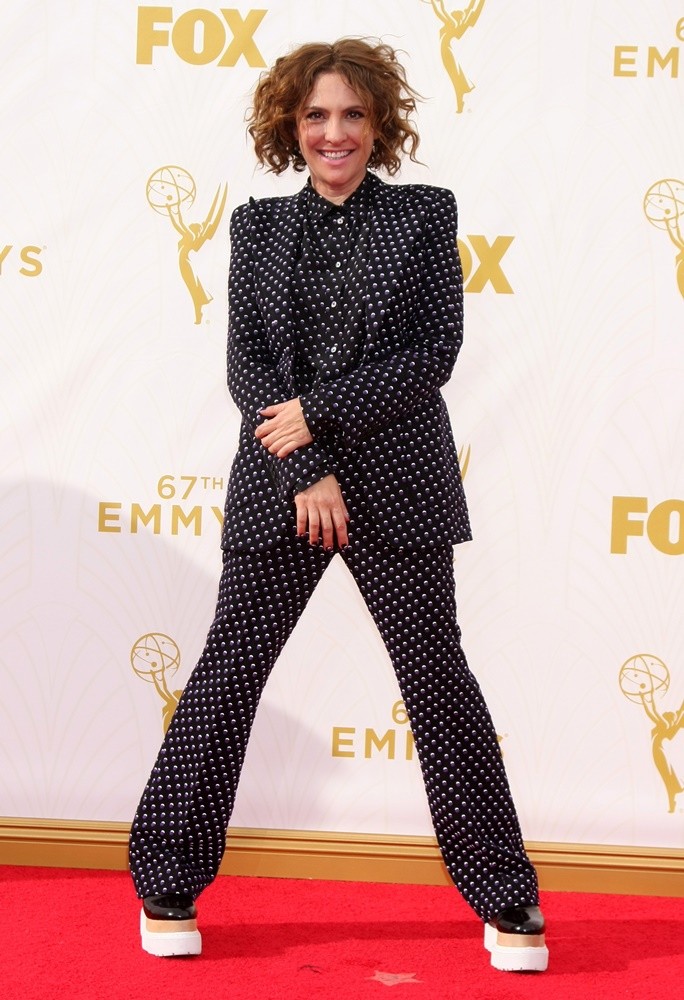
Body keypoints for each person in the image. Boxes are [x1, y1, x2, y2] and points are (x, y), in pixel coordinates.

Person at [129, 38, 548, 973]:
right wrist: (306, 466)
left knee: (438, 683)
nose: (334, 132)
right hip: (284, 488)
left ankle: (503, 892)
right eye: (316, 115)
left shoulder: (424, 215)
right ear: (290, 125)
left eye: (353, 114)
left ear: (379, 124)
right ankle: (166, 874)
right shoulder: (255, 229)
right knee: (227, 678)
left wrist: (316, 414)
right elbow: (248, 368)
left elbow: (431, 352)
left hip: (399, 483)